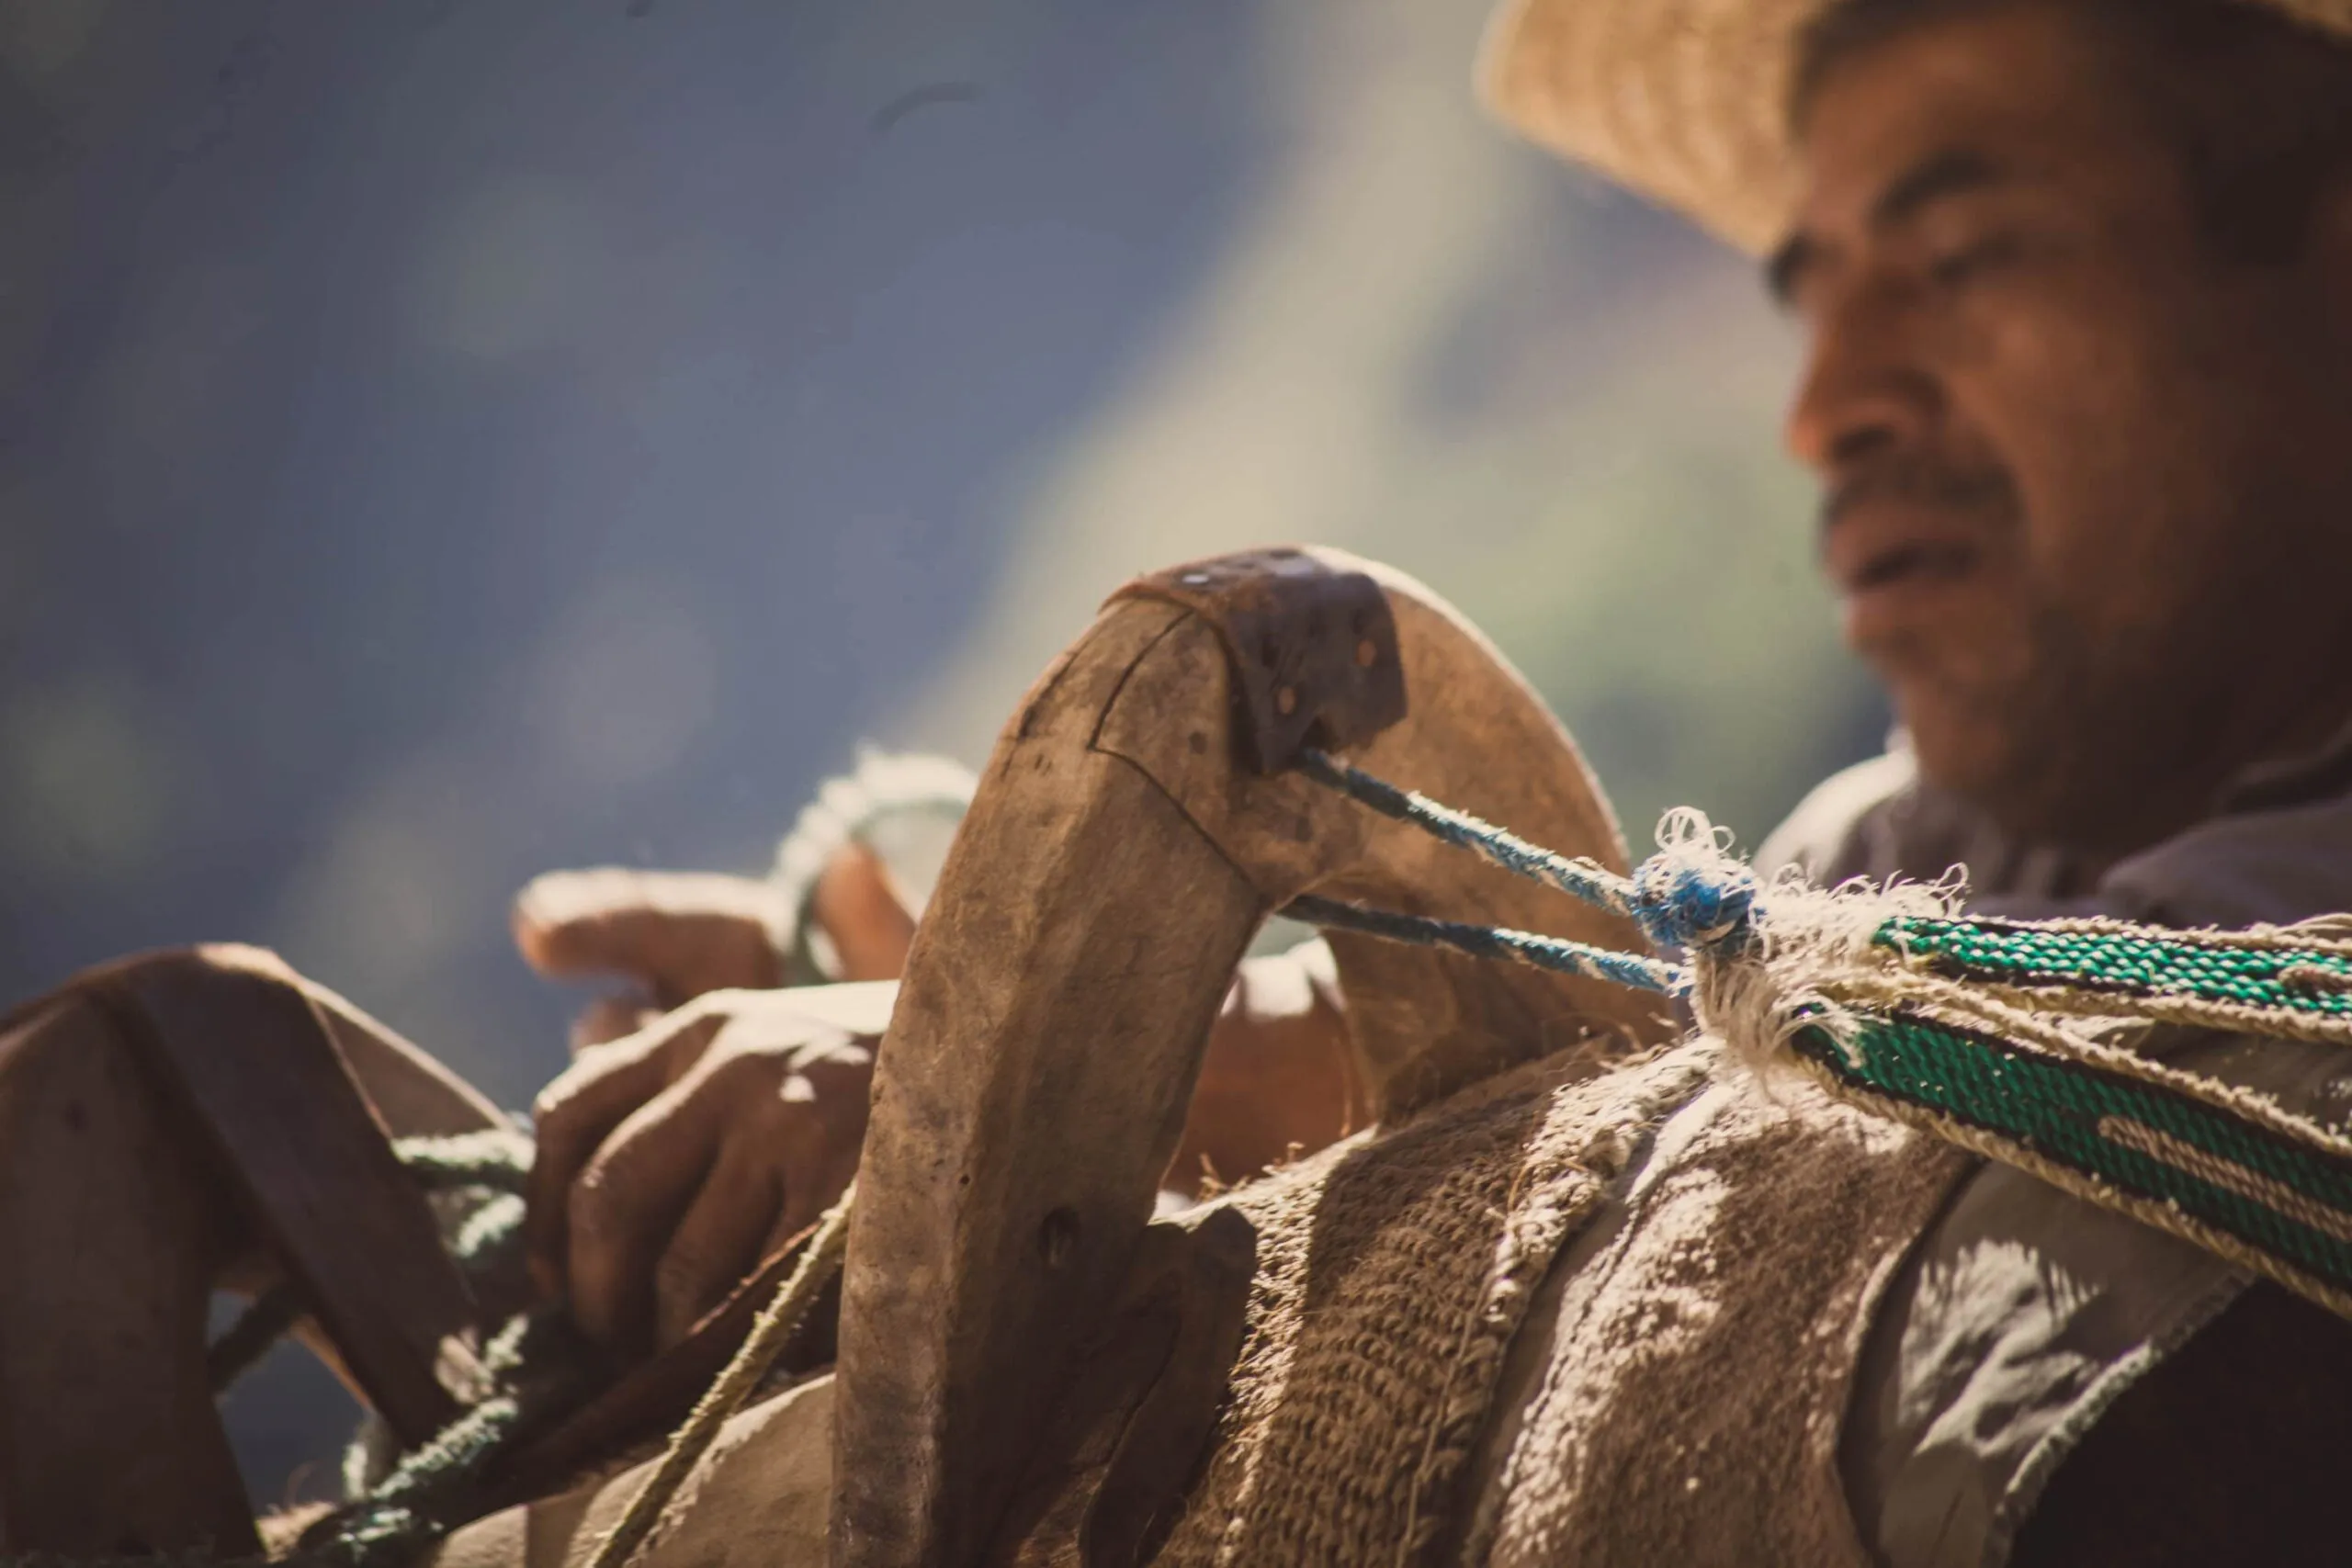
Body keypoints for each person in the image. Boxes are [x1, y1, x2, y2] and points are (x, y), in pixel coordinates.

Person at [9, 0, 2352, 1561]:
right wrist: (1006, 1015)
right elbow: (1689, 1044)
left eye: (1960, 253)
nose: (1822, 406)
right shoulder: (1926, 851)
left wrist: (1025, 1062)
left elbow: (1837, 1103)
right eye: (1810, 291)